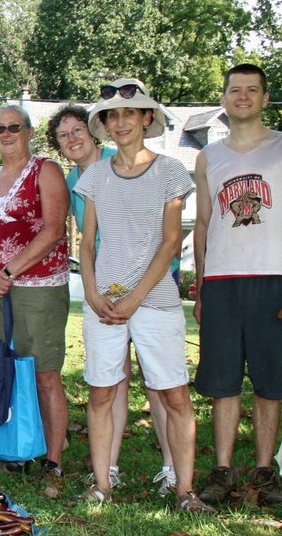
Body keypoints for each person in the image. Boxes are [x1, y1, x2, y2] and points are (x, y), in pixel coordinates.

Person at [74, 78, 210, 511]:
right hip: (105, 303)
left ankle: (185, 491)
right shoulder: (95, 174)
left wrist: (135, 299)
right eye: (112, 115)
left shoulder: (170, 170)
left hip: (154, 300)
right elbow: (87, 240)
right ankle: (101, 484)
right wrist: (92, 294)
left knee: (173, 394)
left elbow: (171, 243)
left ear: (147, 117)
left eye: (129, 113)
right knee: (100, 393)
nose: (120, 122)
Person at [193, 63, 282, 506]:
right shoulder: (209, 156)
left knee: (271, 381)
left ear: (265, 98)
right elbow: (204, 222)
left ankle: (264, 473)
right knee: (222, 381)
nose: (242, 96)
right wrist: (202, 284)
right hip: (222, 281)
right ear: (224, 99)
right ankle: (222, 471)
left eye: (252, 90)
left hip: (273, 279)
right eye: (234, 90)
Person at [48, 104, 176, 496]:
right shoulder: (74, 180)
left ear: (94, 132)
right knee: (112, 378)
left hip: (148, 282)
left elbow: (166, 229)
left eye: (76, 130)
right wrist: (91, 288)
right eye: (63, 135)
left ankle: (171, 467)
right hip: (105, 288)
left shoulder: (122, 159)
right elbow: (84, 239)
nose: (72, 139)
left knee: (159, 381)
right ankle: (111, 466)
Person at [0, 104, 70, 479]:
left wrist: (7, 271)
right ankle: (17, 445)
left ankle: (54, 459)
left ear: (28, 131)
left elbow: (54, 230)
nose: (5, 134)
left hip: (39, 288)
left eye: (13, 126)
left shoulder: (47, 171)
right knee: (4, 370)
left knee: (43, 373)